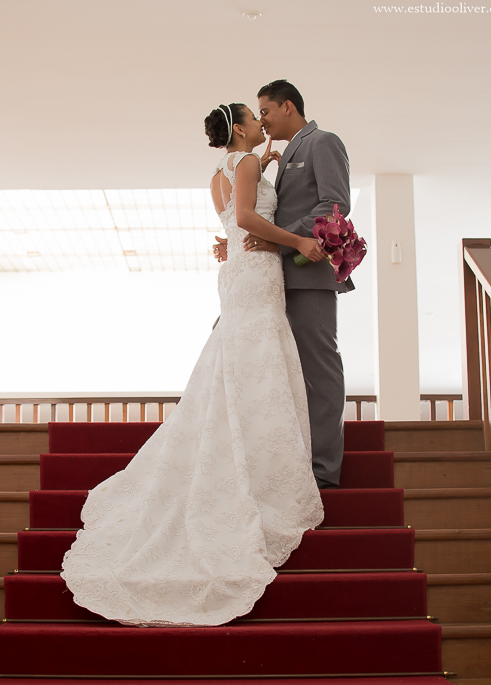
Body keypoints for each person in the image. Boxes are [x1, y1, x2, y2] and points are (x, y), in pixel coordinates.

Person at [60, 102, 324, 628]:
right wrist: (299, 240)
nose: (261, 123)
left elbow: (234, 215)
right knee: (259, 353)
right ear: (241, 128)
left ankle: (242, 439)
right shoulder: (245, 164)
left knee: (242, 355)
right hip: (258, 267)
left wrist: (265, 162)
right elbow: (246, 218)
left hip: (238, 269)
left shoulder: (221, 171)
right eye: (254, 117)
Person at [215, 80, 352, 489]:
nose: (262, 120)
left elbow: (335, 205)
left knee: (318, 369)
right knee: (275, 370)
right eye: (256, 114)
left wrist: (283, 238)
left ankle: (324, 472)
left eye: (266, 111)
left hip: (308, 275)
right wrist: (239, 239)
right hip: (272, 278)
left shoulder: (322, 142)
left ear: (287, 106)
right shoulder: (279, 155)